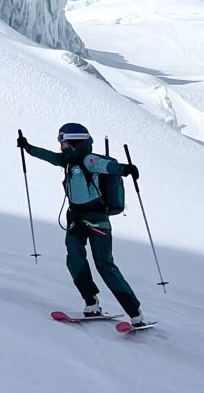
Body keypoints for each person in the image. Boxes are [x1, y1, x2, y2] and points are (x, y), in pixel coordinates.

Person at [18, 123, 148, 324]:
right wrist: (28, 147)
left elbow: (107, 165)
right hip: (76, 218)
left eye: (63, 142)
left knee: (104, 264)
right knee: (74, 258)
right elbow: (47, 156)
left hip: (97, 219)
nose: (61, 146)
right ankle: (91, 302)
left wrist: (124, 169)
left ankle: (135, 313)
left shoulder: (89, 160)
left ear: (74, 142)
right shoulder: (66, 161)